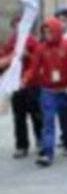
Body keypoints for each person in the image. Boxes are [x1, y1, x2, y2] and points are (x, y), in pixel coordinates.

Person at [25, 17, 67, 167]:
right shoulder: (41, 48)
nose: (47, 34)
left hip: (65, 90)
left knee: (66, 121)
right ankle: (47, 153)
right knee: (48, 122)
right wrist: (24, 81)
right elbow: (34, 68)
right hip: (48, 90)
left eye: (50, 31)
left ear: (56, 31)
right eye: (45, 31)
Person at [0, 15, 42, 159]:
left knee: (36, 114)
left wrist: (27, 55)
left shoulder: (32, 41)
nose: (17, 28)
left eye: (20, 25)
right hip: (16, 85)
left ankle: (40, 140)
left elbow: (38, 61)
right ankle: (21, 146)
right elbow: (3, 57)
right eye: (15, 26)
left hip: (33, 84)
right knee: (19, 117)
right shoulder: (11, 41)